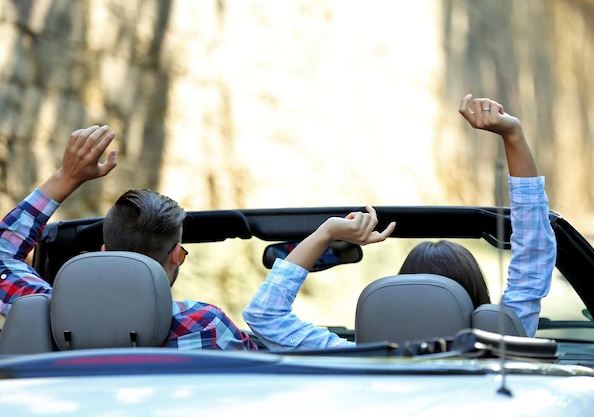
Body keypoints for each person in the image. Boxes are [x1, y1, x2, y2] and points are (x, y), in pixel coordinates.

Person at [243, 93, 557, 350]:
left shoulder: (353, 362)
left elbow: (265, 315)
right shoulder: (504, 350)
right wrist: (512, 134)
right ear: (475, 299)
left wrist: (327, 232)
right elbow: (533, 254)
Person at [0, 125, 257, 350]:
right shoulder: (208, 327)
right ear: (175, 256)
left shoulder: (46, 316)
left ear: (103, 253)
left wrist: (66, 177)